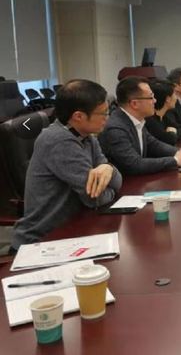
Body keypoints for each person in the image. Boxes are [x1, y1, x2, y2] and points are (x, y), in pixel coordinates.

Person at [11, 80, 122, 250]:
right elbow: (95, 199)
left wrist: (109, 169)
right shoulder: (59, 141)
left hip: (72, 229)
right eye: (103, 113)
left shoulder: (87, 137)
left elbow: (116, 182)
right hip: (41, 241)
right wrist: (110, 184)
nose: (107, 118)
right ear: (78, 116)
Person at [99, 76, 181, 175]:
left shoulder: (137, 119)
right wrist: (175, 160)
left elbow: (153, 144)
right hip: (127, 182)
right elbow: (134, 164)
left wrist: (178, 152)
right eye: (151, 97)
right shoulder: (116, 128)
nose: (155, 101)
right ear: (135, 104)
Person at [145, 79, 179, 146]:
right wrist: (173, 132)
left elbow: (178, 128)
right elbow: (169, 139)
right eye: (175, 94)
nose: (176, 98)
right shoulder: (150, 120)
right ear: (167, 99)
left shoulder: (164, 116)